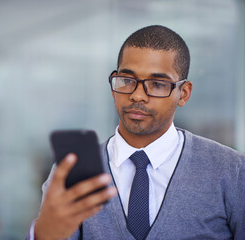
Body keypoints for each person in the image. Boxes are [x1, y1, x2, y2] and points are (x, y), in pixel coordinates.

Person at [26, 25, 245, 240]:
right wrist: (44, 234)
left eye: (157, 84)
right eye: (127, 80)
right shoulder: (72, 172)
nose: (137, 96)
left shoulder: (233, 171)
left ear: (184, 93)